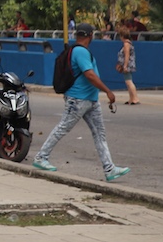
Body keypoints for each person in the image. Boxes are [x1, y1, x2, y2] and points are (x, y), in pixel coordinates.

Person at [32, 23, 130, 182]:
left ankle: (109, 168)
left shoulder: (77, 50)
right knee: (63, 127)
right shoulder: (80, 52)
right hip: (78, 100)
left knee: (99, 134)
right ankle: (41, 157)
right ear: (90, 35)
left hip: (90, 100)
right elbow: (89, 75)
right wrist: (108, 91)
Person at [118, 29, 139, 104]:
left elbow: (127, 55)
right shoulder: (129, 43)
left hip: (128, 64)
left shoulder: (126, 44)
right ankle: (131, 98)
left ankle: (135, 98)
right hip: (129, 64)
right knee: (128, 81)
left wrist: (125, 66)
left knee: (129, 81)